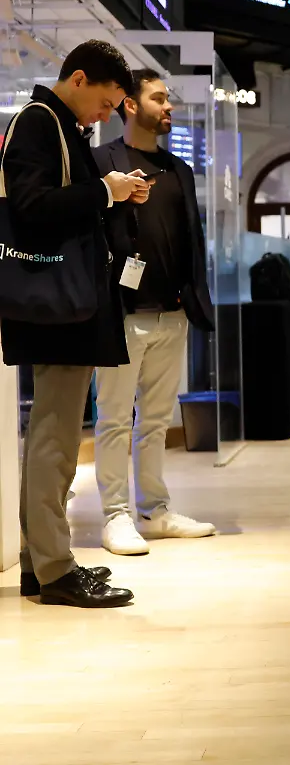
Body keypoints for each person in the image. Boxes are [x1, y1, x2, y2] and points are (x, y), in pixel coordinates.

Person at [1, 40, 148, 607]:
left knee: (55, 437)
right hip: (57, 307)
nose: (106, 115)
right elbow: (32, 206)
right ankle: (55, 570)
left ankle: (41, 563)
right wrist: (104, 190)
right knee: (55, 440)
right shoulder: (40, 122)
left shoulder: (60, 127)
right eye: (106, 103)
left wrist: (109, 194)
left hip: (68, 305)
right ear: (80, 79)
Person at [91, 69, 217, 556]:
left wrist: (190, 298)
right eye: (159, 98)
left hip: (172, 311)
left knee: (158, 419)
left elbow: (190, 238)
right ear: (130, 104)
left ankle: (155, 510)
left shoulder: (177, 168)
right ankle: (115, 514)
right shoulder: (102, 161)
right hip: (122, 312)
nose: (169, 107)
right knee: (114, 419)